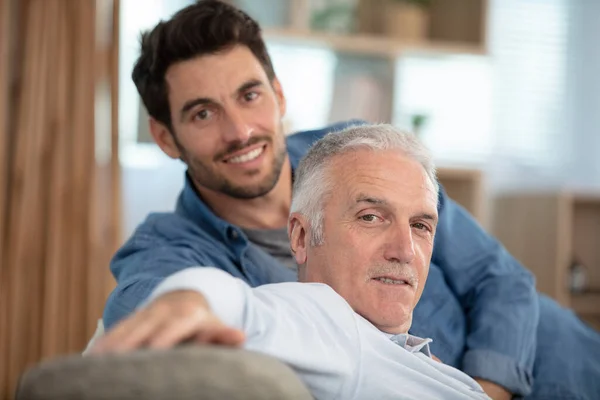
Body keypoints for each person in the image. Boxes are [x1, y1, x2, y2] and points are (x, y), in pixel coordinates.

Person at [102, 1, 600, 399]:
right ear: (166, 138)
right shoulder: (171, 248)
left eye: (249, 96)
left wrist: (483, 391)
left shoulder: (356, 151)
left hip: (558, 359)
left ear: (278, 96)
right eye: (203, 114)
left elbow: (500, 278)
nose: (240, 131)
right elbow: (153, 312)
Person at [92, 124, 490, 399]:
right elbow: (249, 309)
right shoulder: (330, 325)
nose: (405, 250)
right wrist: (191, 299)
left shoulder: (385, 348)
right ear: (301, 236)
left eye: (421, 225)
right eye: (371, 217)